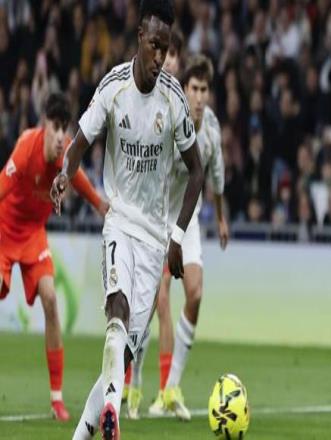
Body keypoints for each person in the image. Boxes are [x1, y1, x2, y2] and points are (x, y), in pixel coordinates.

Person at [51, 1, 204, 438]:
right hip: (119, 220)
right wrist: (64, 175)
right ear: (139, 36)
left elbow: (196, 170)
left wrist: (177, 236)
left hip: (155, 239)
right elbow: (80, 142)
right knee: (115, 311)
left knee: (122, 356)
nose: (160, 57)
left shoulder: (173, 99)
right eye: (154, 45)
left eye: (166, 49)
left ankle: (90, 426)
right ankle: (112, 413)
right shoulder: (113, 87)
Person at [125, 52, 228, 421]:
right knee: (150, 304)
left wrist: (221, 219)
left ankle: (170, 389)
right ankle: (136, 381)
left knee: (196, 293)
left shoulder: (211, 130)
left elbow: (216, 178)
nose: (199, 97)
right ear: (185, 91)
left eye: (204, 90)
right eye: (194, 89)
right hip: (158, 219)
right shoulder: (169, 121)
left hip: (189, 219)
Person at [0, 92, 108, 421]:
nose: (61, 136)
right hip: (5, 230)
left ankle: (57, 399)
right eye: (56, 127)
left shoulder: (66, 157)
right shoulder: (26, 147)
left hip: (34, 234)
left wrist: (100, 205)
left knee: (50, 299)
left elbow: (80, 180)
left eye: (65, 128)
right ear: (45, 125)